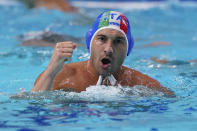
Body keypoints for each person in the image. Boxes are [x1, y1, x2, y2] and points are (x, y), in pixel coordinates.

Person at [31, 11, 174, 97]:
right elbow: (30, 105)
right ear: (90, 43)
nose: (109, 49)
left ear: (128, 49)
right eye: (101, 39)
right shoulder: (61, 75)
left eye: (118, 41)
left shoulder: (142, 84)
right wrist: (51, 70)